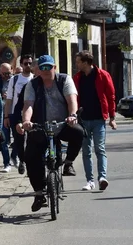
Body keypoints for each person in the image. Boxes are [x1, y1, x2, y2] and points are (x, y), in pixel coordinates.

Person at [17, 54, 84, 212]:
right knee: (31, 156)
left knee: (78, 132)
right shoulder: (32, 85)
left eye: (49, 67)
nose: (46, 70)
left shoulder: (64, 80)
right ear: (38, 70)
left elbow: (72, 100)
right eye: (43, 68)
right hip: (41, 125)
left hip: (63, 123)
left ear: (55, 67)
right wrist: (26, 121)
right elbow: (28, 105)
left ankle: (68, 163)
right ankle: (39, 193)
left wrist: (72, 115)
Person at [73, 50, 117, 191]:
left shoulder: (102, 75)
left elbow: (111, 96)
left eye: (78, 61)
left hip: (99, 119)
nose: (76, 64)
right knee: (86, 151)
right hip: (83, 120)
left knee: (100, 149)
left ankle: (102, 177)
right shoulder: (78, 78)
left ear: (86, 62)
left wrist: (112, 117)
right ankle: (89, 181)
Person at [4, 54, 36, 175]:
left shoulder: (35, 79)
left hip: (31, 113)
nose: (28, 65)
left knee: (32, 140)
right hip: (16, 113)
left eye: (30, 63)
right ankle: (22, 160)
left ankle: (30, 164)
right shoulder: (15, 79)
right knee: (19, 139)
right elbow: (9, 99)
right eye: (25, 63)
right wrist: (7, 116)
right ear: (21, 65)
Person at [0, 62, 14, 173]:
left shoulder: (16, 81)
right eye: (3, 74)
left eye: (8, 73)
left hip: (14, 113)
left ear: (12, 70)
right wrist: (1, 96)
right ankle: (7, 162)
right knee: (4, 140)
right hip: (3, 114)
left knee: (19, 139)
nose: (6, 76)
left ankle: (15, 156)